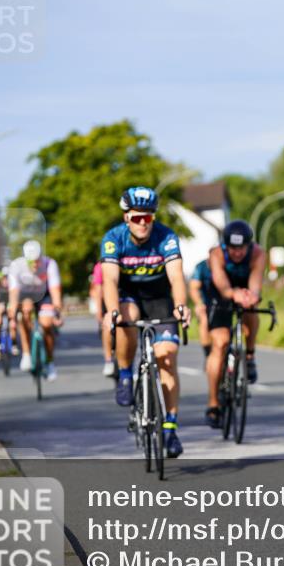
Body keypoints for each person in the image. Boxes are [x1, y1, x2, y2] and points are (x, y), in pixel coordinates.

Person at [100, 187, 191, 458]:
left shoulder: (166, 237)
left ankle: (170, 428)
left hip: (159, 298)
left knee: (167, 357)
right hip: (129, 296)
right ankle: (125, 373)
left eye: (148, 218)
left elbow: (176, 276)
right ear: (126, 218)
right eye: (137, 218)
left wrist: (181, 306)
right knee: (125, 318)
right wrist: (111, 311)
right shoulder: (113, 239)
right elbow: (110, 280)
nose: (143, 223)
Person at [204, 220, 266, 428]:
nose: (237, 253)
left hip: (244, 289)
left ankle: (249, 355)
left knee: (251, 307)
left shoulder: (258, 253)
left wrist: (251, 296)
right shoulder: (216, 254)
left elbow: (255, 284)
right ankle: (213, 403)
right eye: (233, 248)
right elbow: (222, 286)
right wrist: (232, 294)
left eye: (241, 248)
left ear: (249, 245)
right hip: (220, 293)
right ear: (225, 245)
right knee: (220, 343)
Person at [7, 240, 64, 381]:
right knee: (24, 314)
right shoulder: (16, 266)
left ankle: (50, 362)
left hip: (44, 295)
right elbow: (14, 294)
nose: (35, 264)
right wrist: (12, 315)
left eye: (37, 261)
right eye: (31, 261)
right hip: (25, 295)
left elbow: (55, 292)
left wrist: (57, 312)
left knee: (47, 324)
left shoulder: (49, 264)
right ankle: (26, 353)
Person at [89, 261, 115, 377]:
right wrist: (99, 310)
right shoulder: (100, 266)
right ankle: (108, 360)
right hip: (106, 300)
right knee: (106, 327)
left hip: (122, 297)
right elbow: (98, 289)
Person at [189, 258, 214, 359]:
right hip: (205, 302)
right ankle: (208, 354)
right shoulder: (201, 267)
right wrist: (199, 303)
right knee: (204, 319)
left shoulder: (228, 264)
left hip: (223, 302)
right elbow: (193, 288)